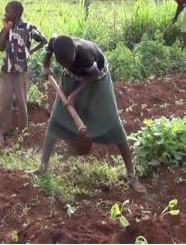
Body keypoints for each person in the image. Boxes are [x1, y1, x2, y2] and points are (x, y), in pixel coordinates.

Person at [37, 35, 146, 194]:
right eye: (63, 63)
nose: (67, 64)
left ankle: (131, 175)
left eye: (69, 62)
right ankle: (42, 168)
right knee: (56, 121)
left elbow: (93, 77)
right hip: (71, 78)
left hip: (97, 82)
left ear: (75, 51)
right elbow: (48, 53)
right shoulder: (55, 42)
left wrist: (74, 96)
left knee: (113, 124)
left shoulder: (86, 54)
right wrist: (46, 65)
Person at [0, 1, 47, 145]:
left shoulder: (29, 28)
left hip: (21, 71)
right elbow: (0, 47)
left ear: (17, 13)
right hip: (6, 70)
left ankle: (22, 132)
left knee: (21, 101)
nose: (5, 14)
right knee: (5, 101)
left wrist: (30, 51)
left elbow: (44, 40)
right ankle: (1, 132)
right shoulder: (6, 27)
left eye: (8, 11)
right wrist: (6, 29)